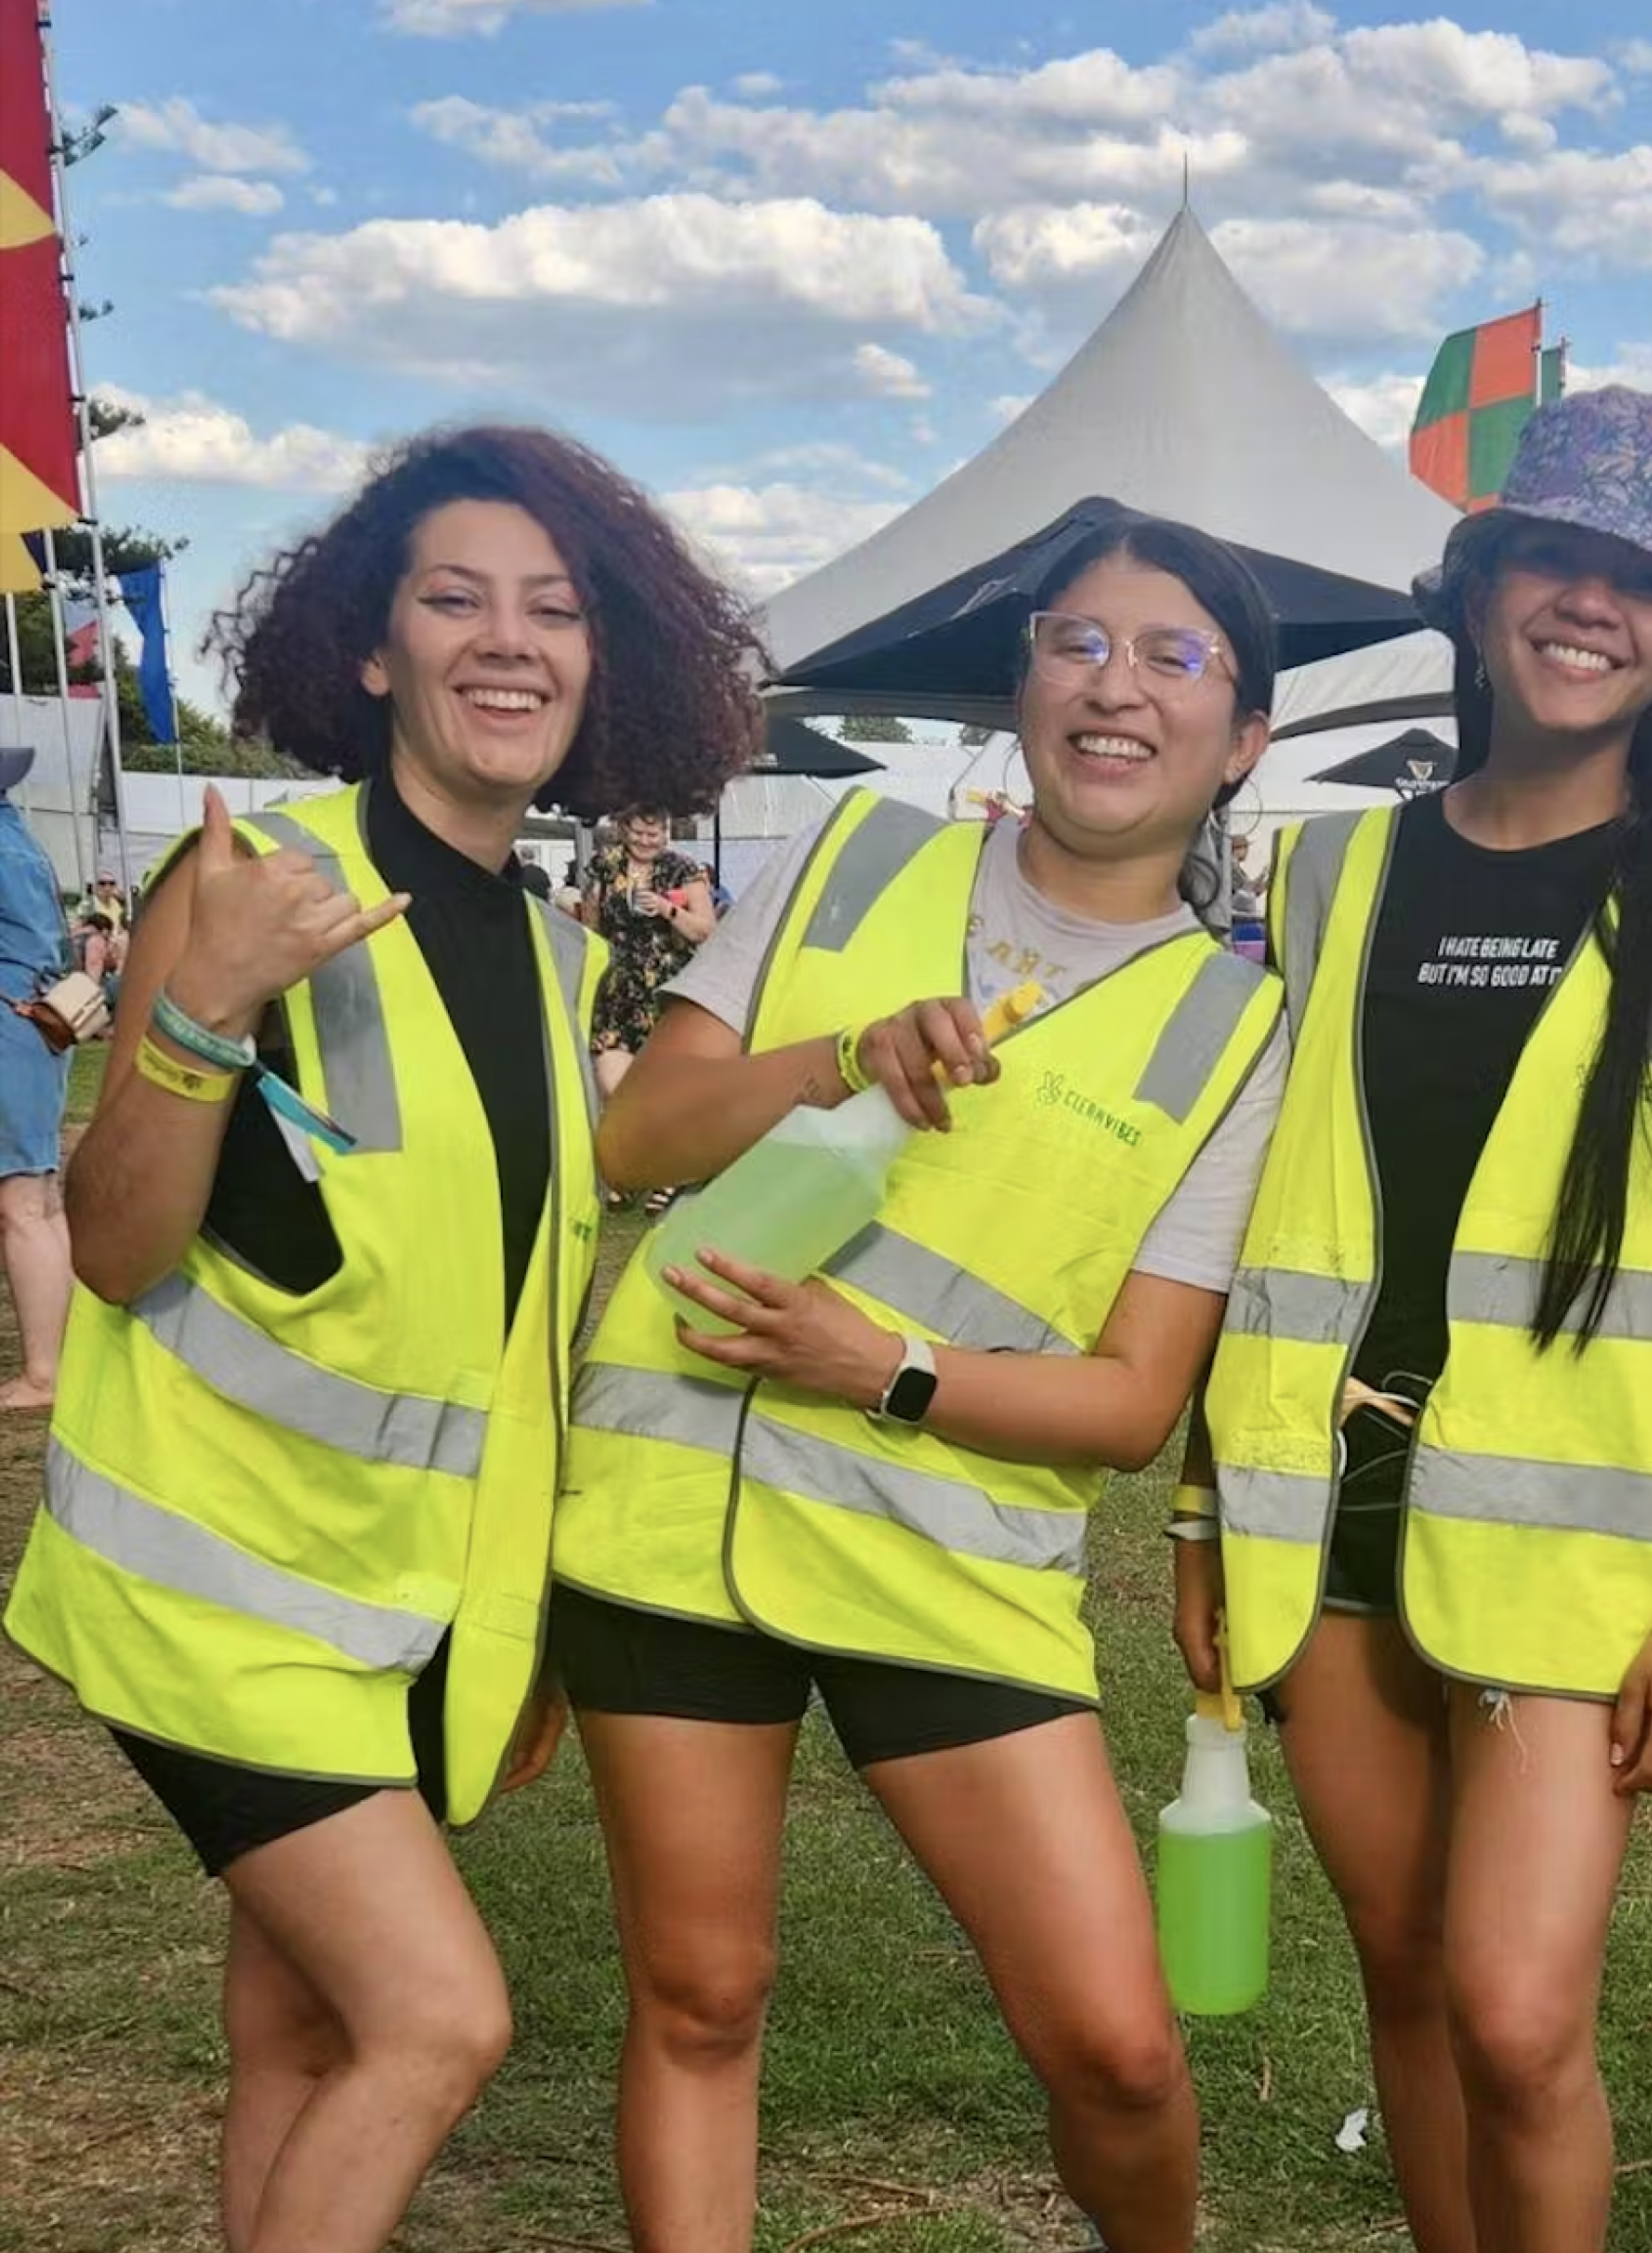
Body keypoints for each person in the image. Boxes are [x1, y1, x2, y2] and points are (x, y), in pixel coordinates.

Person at [2, 425, 762, 2253]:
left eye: (555, 610)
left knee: (300, 2032)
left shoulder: (560, 951)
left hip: (387, 1616)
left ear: (604, 665)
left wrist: (513, 1643)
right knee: (439, 2019)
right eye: (454, 598)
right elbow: (112, 1247)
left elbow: (499, 1335)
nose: (508, 640)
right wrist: (198, 1004)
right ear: (369, 644)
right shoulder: (255, 874)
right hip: (214, 1604)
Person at [549, 513, 1290, 2253]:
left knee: (1114, 2047)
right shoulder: (845, 854)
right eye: (1076, 641)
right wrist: (837, 1055)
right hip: (669, 1525)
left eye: (1173, 657)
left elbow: (1128, 1403)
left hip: (948, 1566)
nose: (1116, 687)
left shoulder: (1240, 1030)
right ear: (1023, 680)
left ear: (1243, 736)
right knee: (700, 1997)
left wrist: (882, 1368)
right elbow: (634, 1136)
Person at [1185, 389, 1652, 2253]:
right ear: (1478, 590)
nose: (1588, 602)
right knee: (1408, 1982)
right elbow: (1244, 1222)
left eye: (1641, 580)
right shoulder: (1326, 872)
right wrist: (1209, 1514)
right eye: (1554, 556)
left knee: (1521, 2015)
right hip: (1327, 1523)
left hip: (1569, 1550)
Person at [0, 748, 74, 1415]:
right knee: (41, 1200)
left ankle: (43, 1373)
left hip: (10, 1028)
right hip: (40, 1024)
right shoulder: (20, 840)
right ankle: (56, 1357)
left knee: (20, 1205)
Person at [589, 805, 716, 1096]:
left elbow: (706, 931)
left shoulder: (683, 870)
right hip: (616, 993)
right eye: (639, 833)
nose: (646, 841)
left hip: (667, 992)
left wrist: (666, 909)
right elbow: (591, 928)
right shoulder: (606, 865)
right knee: (614, 1087)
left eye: (654, 834)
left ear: (666, 834)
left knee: (667, 1090)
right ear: (623, 830)